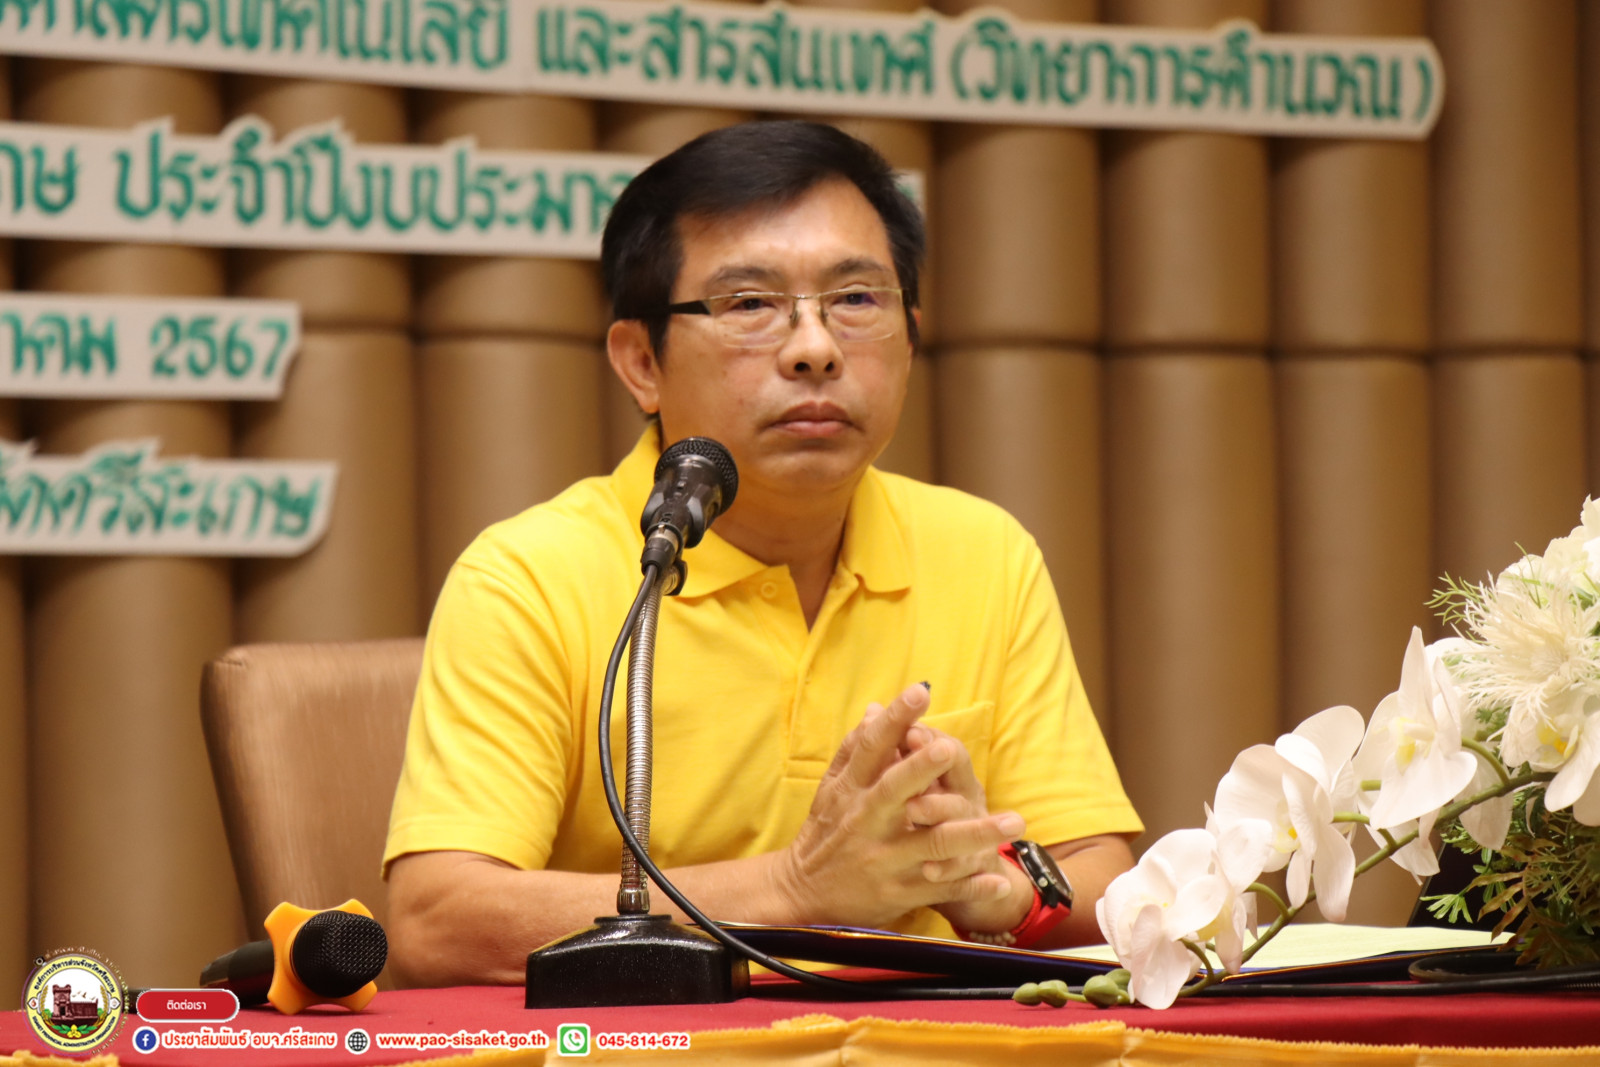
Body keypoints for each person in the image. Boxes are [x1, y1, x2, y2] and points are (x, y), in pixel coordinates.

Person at [384, 120, 1141, 987]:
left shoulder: (983, 554)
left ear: (910, 338)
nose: (815, 348)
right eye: (749, 305)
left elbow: (1104, 878)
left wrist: (994, 889)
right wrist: (796, 888)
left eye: (856, 299)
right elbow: (437, 922)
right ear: (642, 362)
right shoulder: (531, 577)